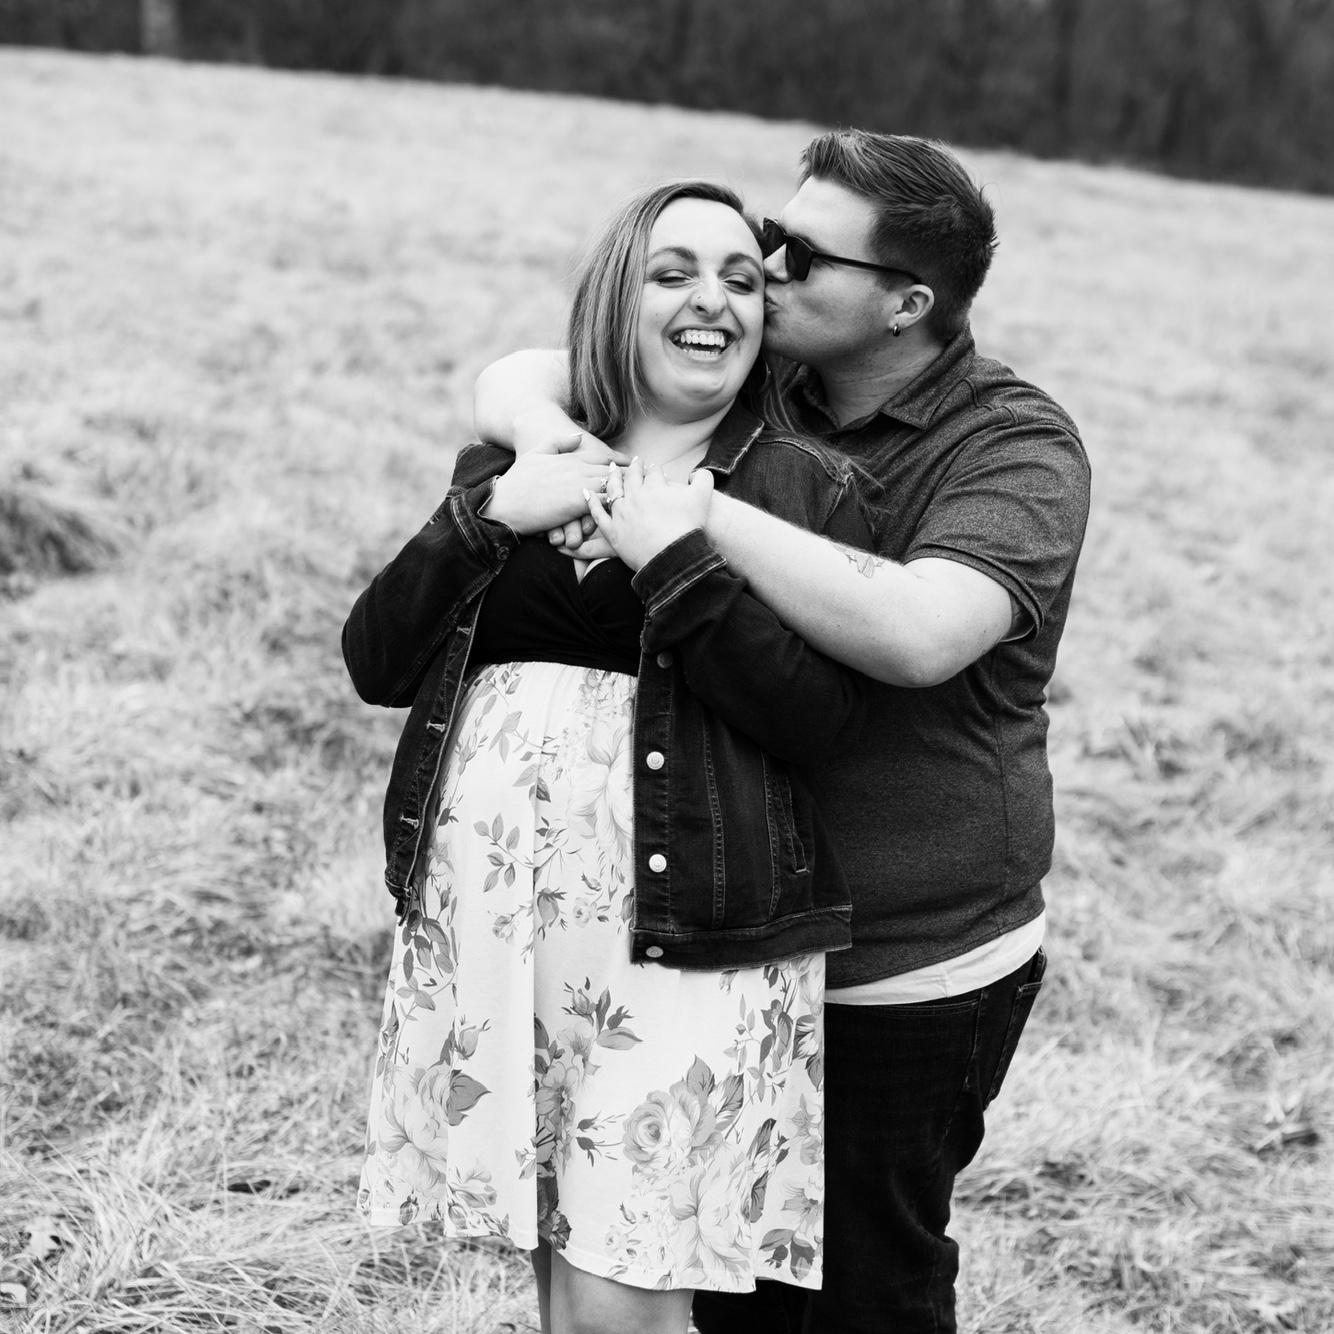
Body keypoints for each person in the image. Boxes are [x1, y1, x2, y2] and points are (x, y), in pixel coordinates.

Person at [472, 131, 1092, 1334]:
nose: (761, 266)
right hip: (725, 940)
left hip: (899, 959)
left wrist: (691, 513)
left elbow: (917, 630)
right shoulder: (773, 382)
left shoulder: (1013, 444)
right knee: (724, 1288)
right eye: (770, 231)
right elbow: (533, 367)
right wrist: (550, 436)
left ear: (905, 304)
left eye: (800, 255)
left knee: (860, 1292)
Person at [342, 180, 880, 1334]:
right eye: (672, 272)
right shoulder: (516, 453)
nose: (712, 299)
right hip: (502, 930)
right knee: (558, 1279)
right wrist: (491, 510)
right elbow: (376, 660)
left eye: (741, 280)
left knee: (617, 1299)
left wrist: (673, 558)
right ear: (614, 300)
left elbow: (819, 721)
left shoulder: (796, 486)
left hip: (682, 932)